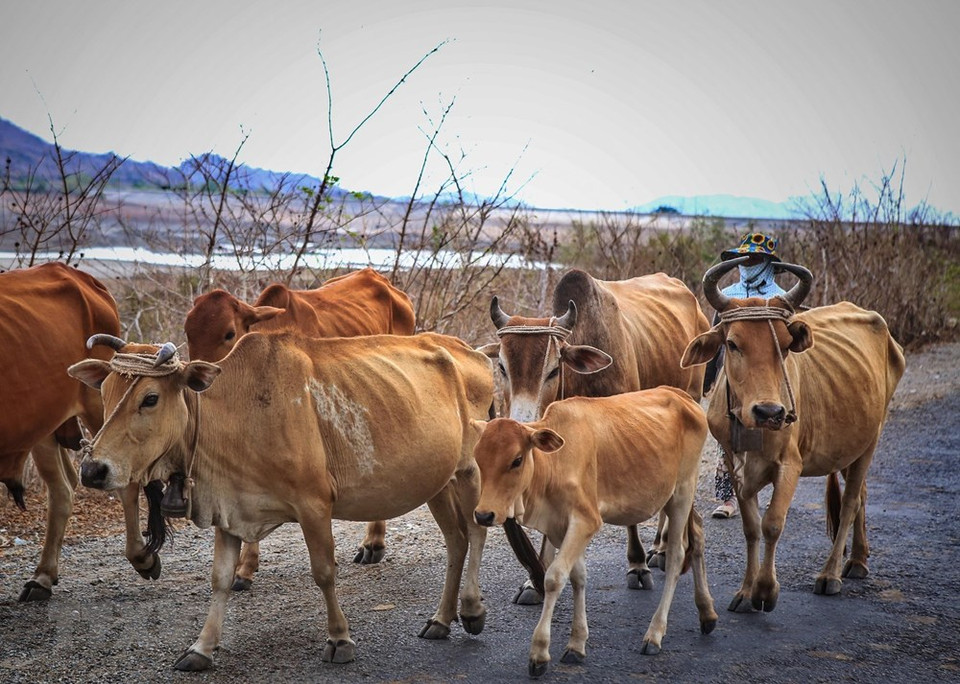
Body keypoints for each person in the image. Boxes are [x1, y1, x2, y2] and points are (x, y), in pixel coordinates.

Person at [703, 232, 786, 519]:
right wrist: (708, 379)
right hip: (732, 375)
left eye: (755, 259)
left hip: (767, 380)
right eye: (745, 259)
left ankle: (766, 493)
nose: (748, 264)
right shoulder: (728, 296)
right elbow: (716, 337)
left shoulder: (780, 298)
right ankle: (728, 498)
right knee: (727, 437)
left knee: (769, 438)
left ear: (768, 263)